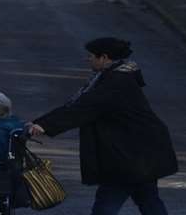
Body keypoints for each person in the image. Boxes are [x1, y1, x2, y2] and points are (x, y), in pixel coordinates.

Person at [26, 36, 177, 215]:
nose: (87, 59)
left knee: (109, 201)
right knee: (147, 199)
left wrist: (43, 125)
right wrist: (40, 122)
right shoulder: (115, 77)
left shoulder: (114, 82)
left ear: (104, 57)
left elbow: (84, 108)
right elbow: (78, 106)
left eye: (91, 56)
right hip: (140, 153)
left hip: (129, 155)